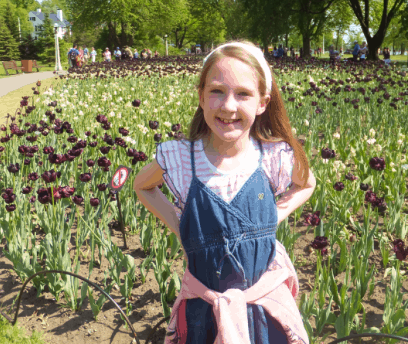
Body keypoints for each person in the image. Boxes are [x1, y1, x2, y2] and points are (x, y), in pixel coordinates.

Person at [133, 42, 313, 343]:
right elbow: (142, 185)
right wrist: (180, 227)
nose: (228, 106)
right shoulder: (182, 159)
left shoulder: (272, 157)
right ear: (201, 97)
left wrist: (274, 216)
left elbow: (307, 183)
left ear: (262, 103)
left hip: (262, 309)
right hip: (205, 310)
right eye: (217, 91)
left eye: (242, 94)